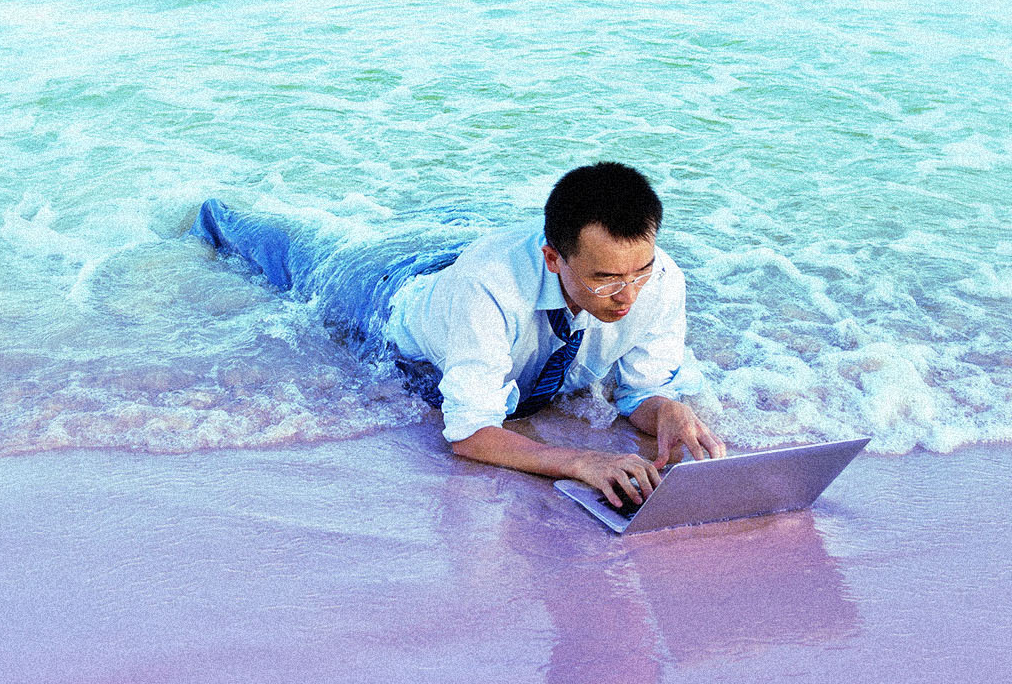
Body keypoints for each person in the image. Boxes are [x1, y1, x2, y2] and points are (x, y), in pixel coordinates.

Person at [192, 161, 724, 510]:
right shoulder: (486, 286)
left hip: (474, 260)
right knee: (286, 253)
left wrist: (667, 410)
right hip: (387, 294)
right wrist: (582, 460)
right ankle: (207, 213)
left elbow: (638, 393)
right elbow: (469, 434)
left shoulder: (660, 279)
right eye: (605, 279)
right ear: (553, 258)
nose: (628, 295)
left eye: (639, 271)